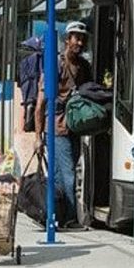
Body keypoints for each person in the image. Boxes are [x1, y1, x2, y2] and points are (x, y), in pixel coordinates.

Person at [34, 20, 93, 230]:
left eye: (83, 39)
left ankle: (55, 216)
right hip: (57, 128)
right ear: (67, 40)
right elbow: (40, 104)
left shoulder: (84, 66)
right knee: (68, 175)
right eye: (76, 38)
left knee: (60, 175)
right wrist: (38, 137)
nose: (80, 43)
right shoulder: (56, 65)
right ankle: (70, 219)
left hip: (75, 128)